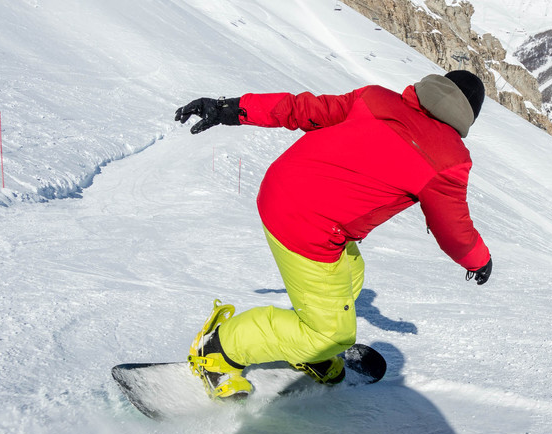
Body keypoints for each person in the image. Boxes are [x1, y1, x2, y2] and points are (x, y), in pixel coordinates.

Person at [174, 69, 494, 399]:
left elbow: (304, 109)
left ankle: (306, 348)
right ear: (469, 115)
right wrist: (478, 260)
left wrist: (233, 109)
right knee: (330, 334)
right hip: (307, 227)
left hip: (280, 189)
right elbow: (452, 228)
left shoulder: (376, 98)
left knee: (351, 272)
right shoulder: (449, 159)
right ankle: (218, 349)